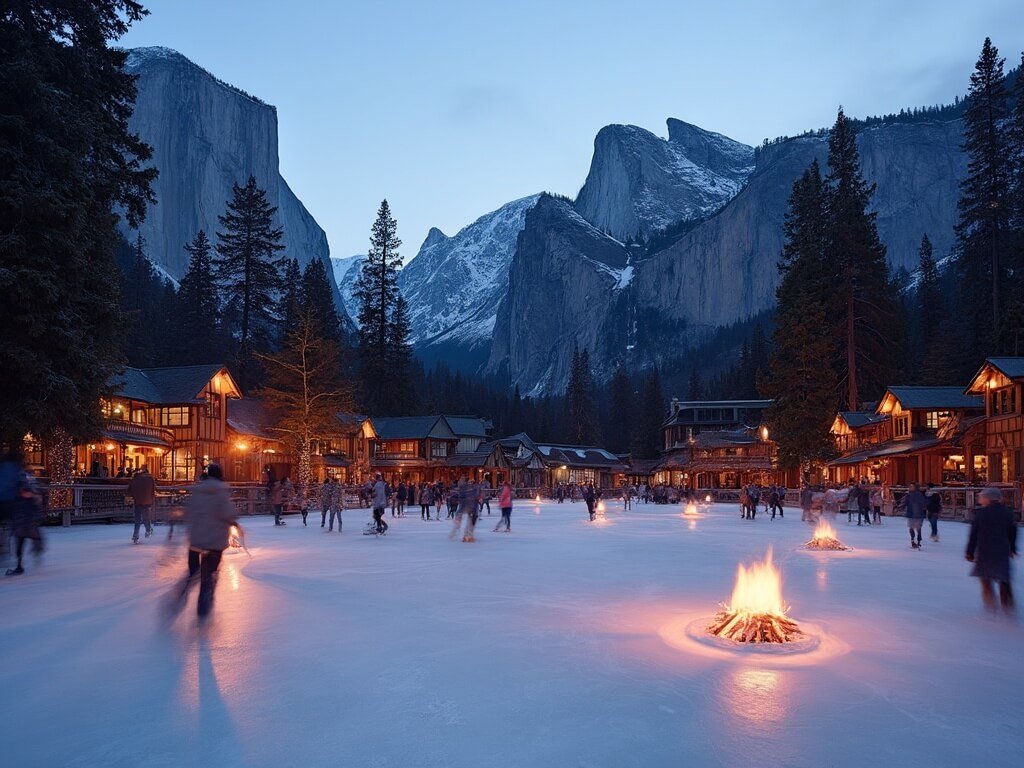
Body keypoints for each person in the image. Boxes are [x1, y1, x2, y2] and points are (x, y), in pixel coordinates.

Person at [178, 463, 237, 619]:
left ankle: (181, 594)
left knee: (193, 574)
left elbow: (189, 512)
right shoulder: (221, 491)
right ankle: (203, 608)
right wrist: (233, 521)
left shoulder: (198, 490)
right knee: (208, 576)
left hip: (196, 540)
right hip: (214, 543)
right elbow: (228, 513)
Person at [965, 487, 1017, 615]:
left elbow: (974, 534)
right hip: (1002, 549)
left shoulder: (981, 514)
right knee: (1003, 578)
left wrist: (970, 551)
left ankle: (990, 604)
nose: (980, 498)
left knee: (985, 578)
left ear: (988, 498)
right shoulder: (1007, 512)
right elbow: (1013, 532)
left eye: (982, 496)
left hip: (985, 550)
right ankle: (1007, 605)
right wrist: (1012, 547)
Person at [5, 465, 44, 577]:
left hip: (24, 512)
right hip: (24, 513)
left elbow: (27, 493)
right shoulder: (29, 478)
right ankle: (20, 563)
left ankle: (20, 564)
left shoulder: (22, 477)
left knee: (23, 535)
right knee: (23, 536)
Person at [127, 466, 156, 543]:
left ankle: (135, 536)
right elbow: (153, 490)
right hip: (147, 501)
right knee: (146, 517)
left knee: (137, 520)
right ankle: (148, 530)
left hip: (137, 501)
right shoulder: (150, 479)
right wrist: (151, 498)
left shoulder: (134, 479)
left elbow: (129, 491)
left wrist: (133, 496)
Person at [450, 475, 480, 542]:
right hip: (470, 508)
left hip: (470, 508)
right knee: (470, 522)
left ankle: (467, 535)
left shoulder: (468, 489)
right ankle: (467, 535)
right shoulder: (469, 490)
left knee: (470, 522)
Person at [899, 483, 927, 549]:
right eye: (910, 486)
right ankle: (913, 540)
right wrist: (901, 507)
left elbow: (923, 502)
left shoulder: (919, 495)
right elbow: (905, 502)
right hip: (911, 514)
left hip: (918, 514)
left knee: (917, 528)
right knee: (912, 528)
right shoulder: (908, 495)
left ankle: (918, 540)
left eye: (912, 486)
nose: (910, 487)